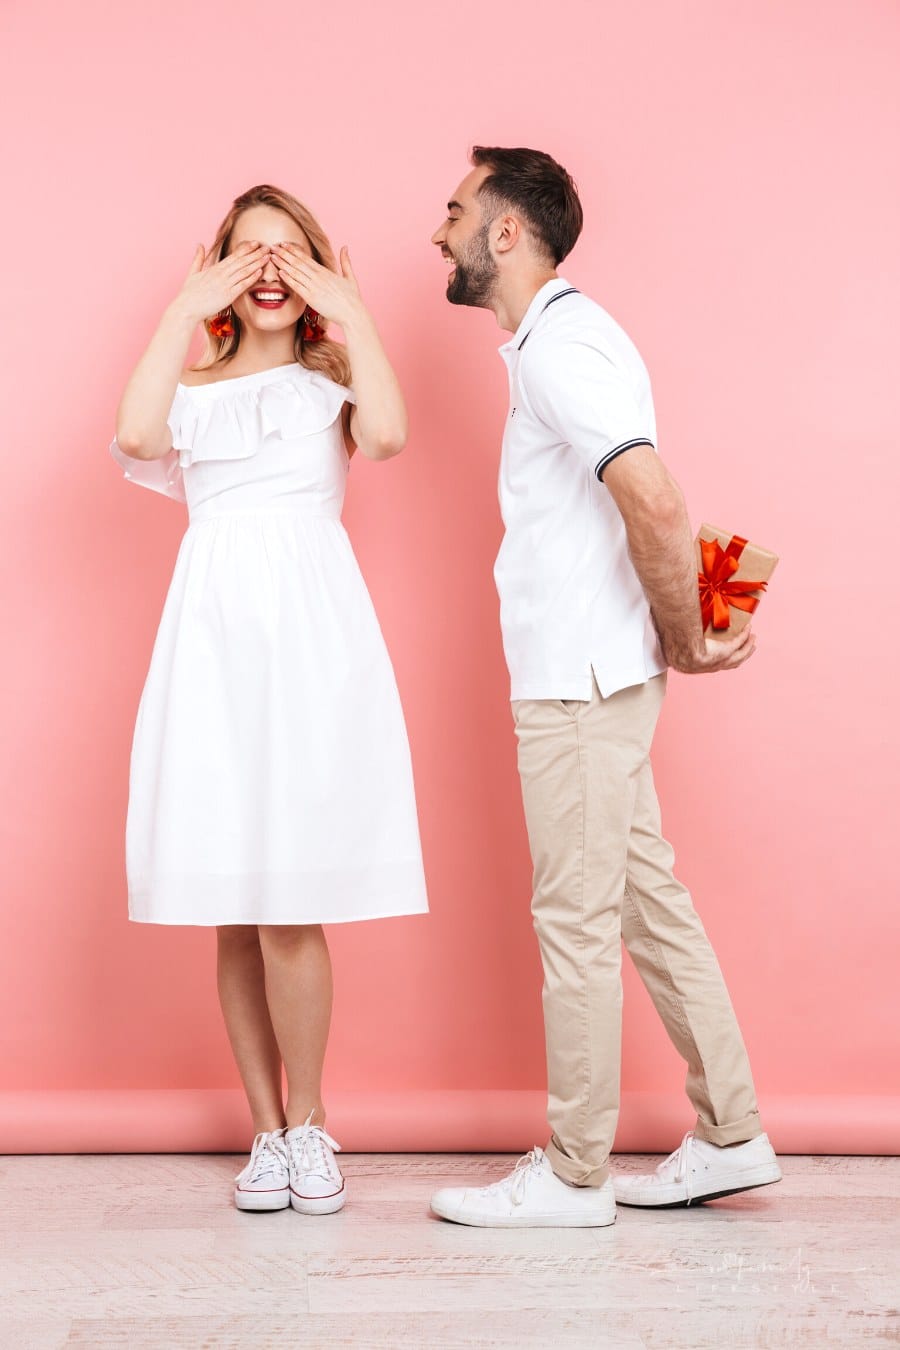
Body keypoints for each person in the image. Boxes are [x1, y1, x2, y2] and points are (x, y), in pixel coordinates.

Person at [428, 147, 781, 1227]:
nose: (437, 232)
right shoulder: (567, 339)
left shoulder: (559, 353)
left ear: (505, 232)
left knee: (574, 920)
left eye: (453, 212)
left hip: (579, 685)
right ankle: (732, 1130)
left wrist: (683, 632)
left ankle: (576, 1171)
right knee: (646, 902)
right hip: (598, 676)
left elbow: (658, 501)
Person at [110, 183, 428, 1215]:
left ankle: (313, 1123)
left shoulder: (330, 388)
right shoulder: (192, 394)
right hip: (212, 645)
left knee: (292, 904)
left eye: (291, 253)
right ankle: (265, 1131)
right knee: (233, 908)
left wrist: (358, 309)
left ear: (322, 270)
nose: (271, 271)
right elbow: (136, 432)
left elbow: (385, 436)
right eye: (249, 255)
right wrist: (177, 308)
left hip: (308, 646)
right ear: (219, 274)